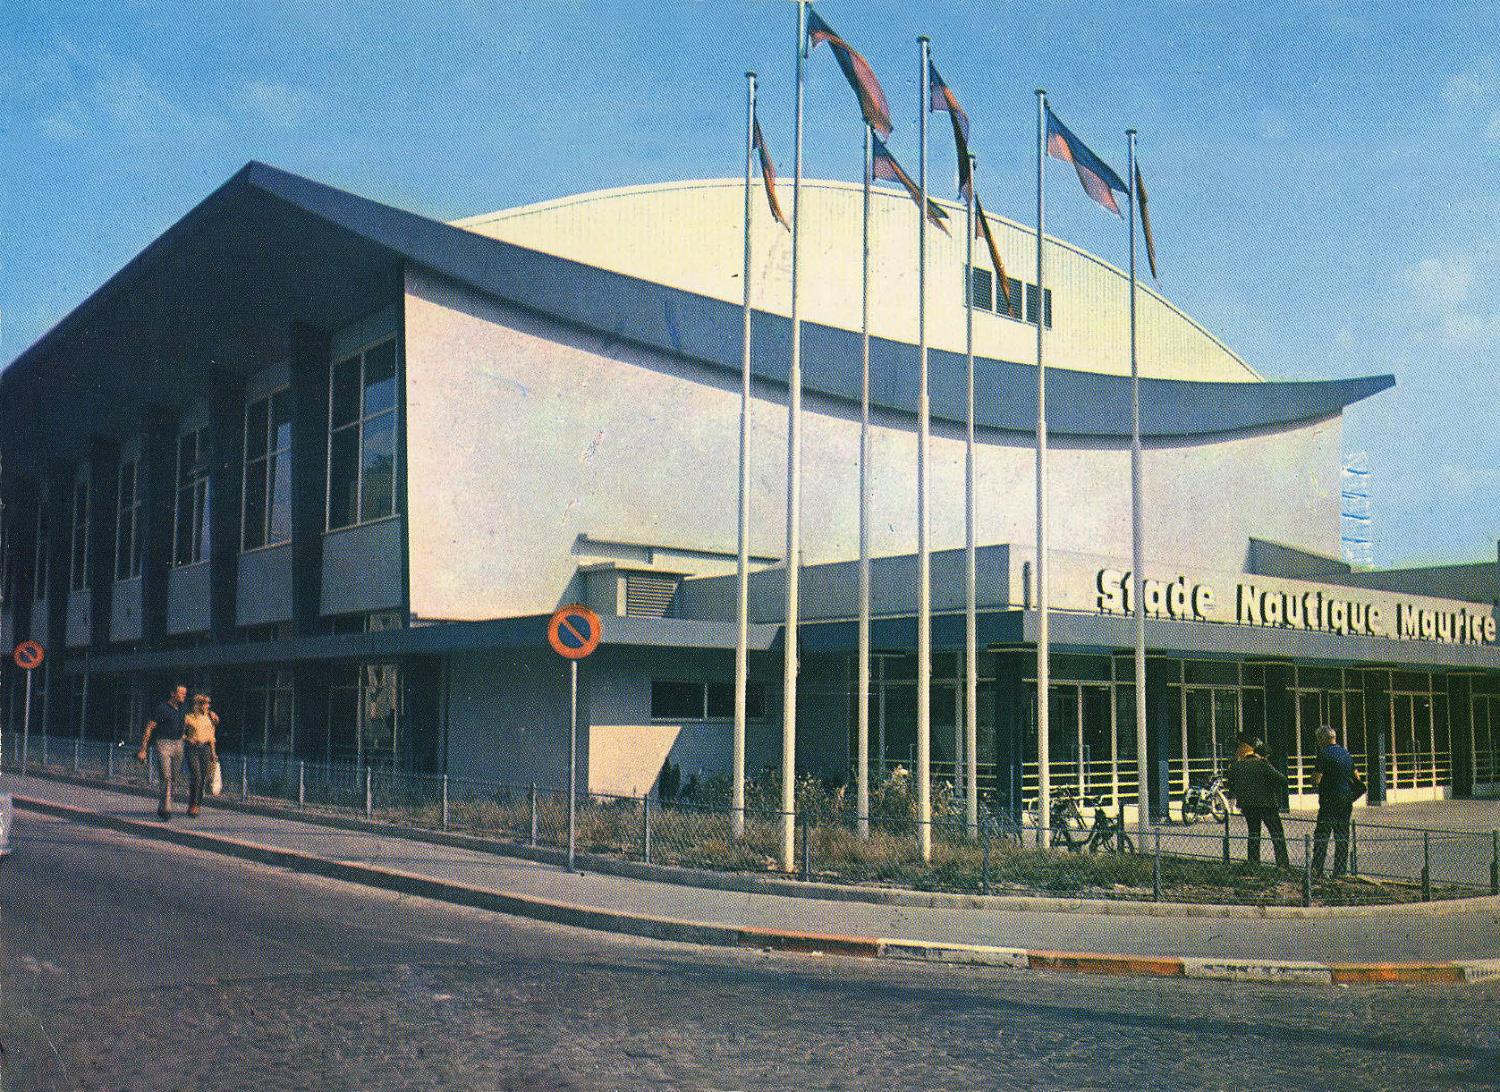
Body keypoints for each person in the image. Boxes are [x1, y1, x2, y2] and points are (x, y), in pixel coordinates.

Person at [1226, 739, 1290, 868]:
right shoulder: (1263, 764)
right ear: (1266, 756)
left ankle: (1254, 862)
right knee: (1277, 834)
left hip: (1247, 805)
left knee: (1254, 834)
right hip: (1267, 805)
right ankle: (1282, 864)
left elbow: (1230, 780)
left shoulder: (1240, 765)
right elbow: (1283, 780)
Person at [1311, 724, 1356, 878]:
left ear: (1323, 738)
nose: (1318, 742)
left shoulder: (1323, 754)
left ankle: (1317, 869)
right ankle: (1340, 871)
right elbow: (1357, 777)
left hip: (1329, 800)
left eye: (1318, 739)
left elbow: (1317, 779)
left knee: (1322, 835)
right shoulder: (1346, 754)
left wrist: (1314, 781)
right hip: (1346, 799)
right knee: (1342, 836)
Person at [138, 684, 188, 820]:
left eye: (185, 693)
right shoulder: (162, 708)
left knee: (175, 778)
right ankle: (166, 808)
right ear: (173, 694)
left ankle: (164, 803)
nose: (184, 696)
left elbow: (193, 716)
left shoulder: (183, 708)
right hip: (163, 743)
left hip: (178, 744)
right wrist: (143, 749)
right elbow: (150, 727)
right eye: (181, 693)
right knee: (166, 776)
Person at [182, 693, 220, 817]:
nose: (206, 706)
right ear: (197, 704)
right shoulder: (188, 717)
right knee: (196, 776)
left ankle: (197, 805)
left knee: (202, 778)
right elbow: (180, 733)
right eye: (203, 703)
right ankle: (193, 804)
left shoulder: (210, 718)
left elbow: (211, 737)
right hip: (192, 748)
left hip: (205, 749)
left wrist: (213, 753)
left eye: (208, 703)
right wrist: (188, 739)